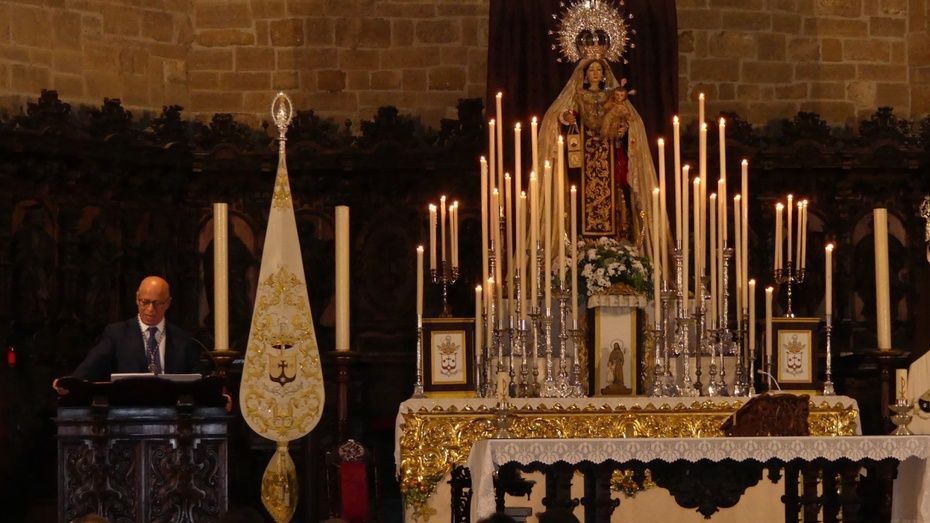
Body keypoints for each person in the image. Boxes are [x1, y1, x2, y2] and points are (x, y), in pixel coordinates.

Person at [538, 55, 660, 253]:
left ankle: (612, 241)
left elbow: (629, 119)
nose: (595, 74)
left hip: (608, 150)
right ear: (585, 76)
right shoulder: (578, 94)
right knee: (584, 194)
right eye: (591, 70)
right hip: (585, 154)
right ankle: (585, 243)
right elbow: (563, 112)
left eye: (598, 70)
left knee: (613, 194)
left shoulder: (612, 95)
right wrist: (567, 117)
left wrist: (623, 126)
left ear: (604, 74)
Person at [54, 276, 201, 390]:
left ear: (168, 303)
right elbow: (90, 368)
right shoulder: (117, 334)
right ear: (137, 299)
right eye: (145, 302)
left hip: (171, 412)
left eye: (157, 303)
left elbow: (197, 379)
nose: (150, 309)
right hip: (126, 411)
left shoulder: (183, 339)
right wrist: (69, 383)